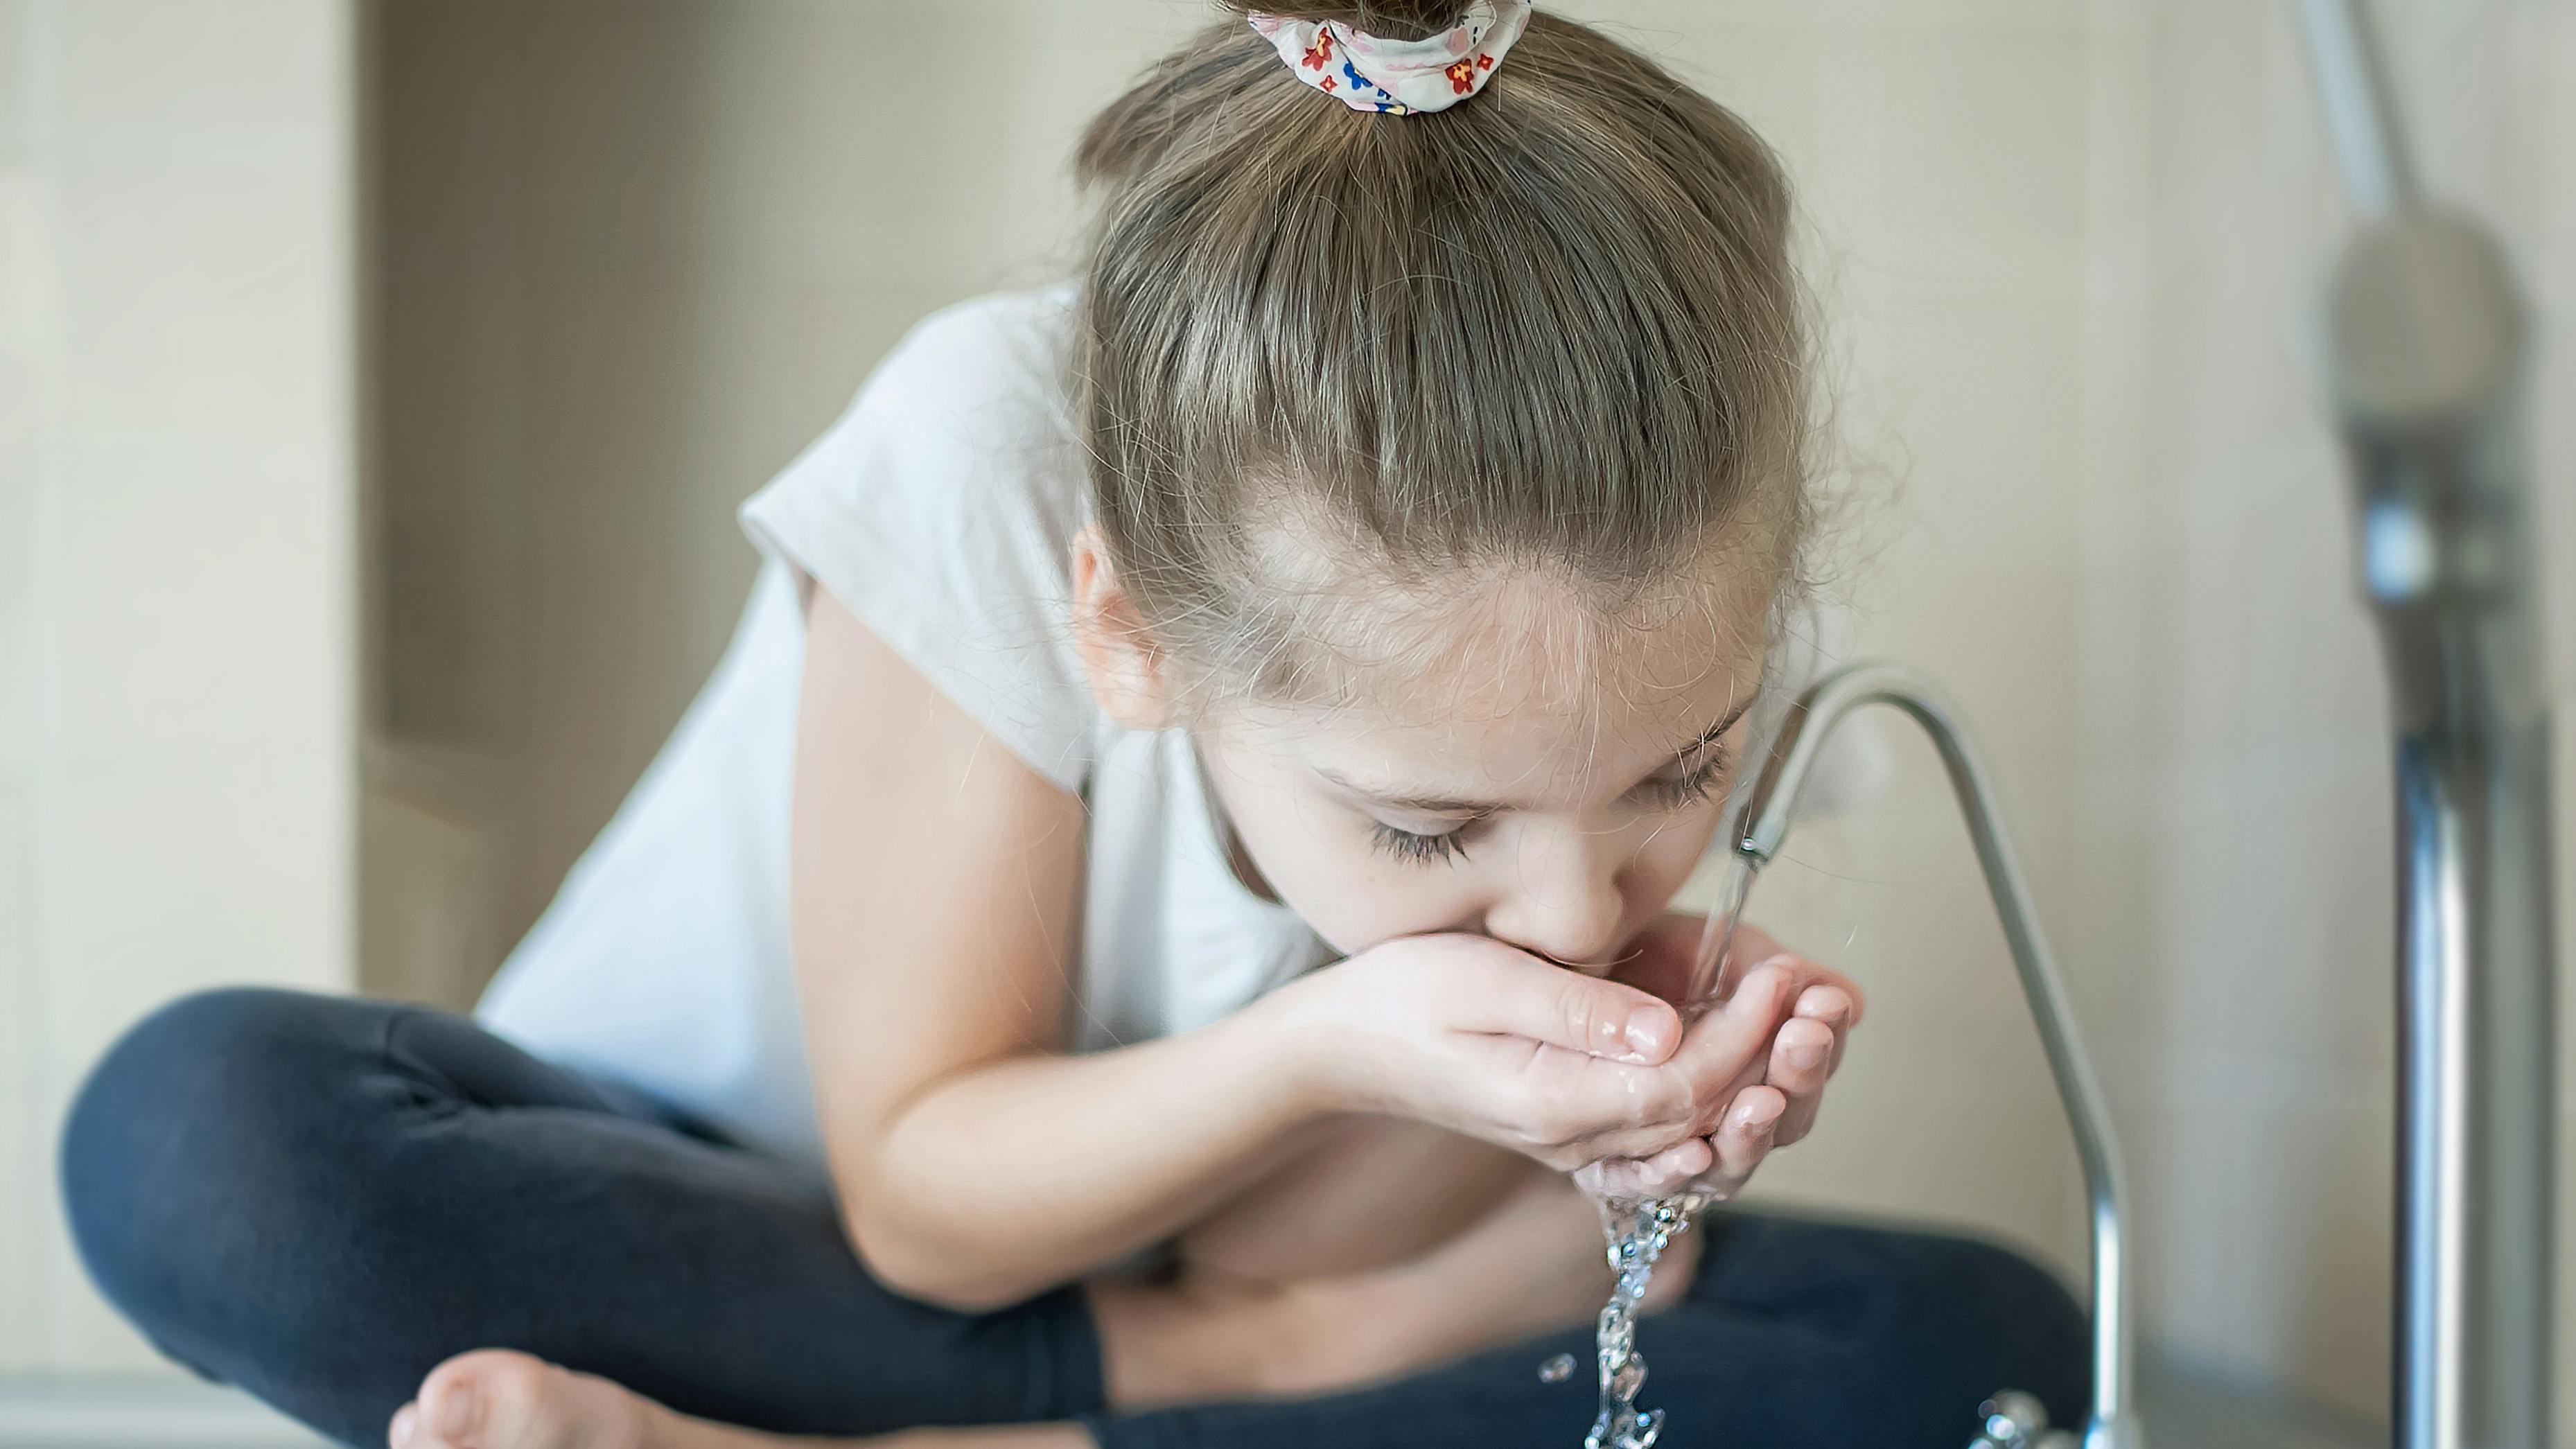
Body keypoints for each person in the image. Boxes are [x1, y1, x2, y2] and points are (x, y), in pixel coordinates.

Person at [59, 4, 2086, 1448]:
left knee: (1992, 1350)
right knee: (215, 1148)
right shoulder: (995, 458)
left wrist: (1576, 1133)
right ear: (1127, 625)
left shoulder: (1656, 593)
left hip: (1177, 1268)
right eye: (1421, 825)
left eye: (1676, 774)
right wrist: (1323, 1071)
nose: (1570, 907)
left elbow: (1255, 1240)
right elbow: (929, 1212)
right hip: (731, 1206)